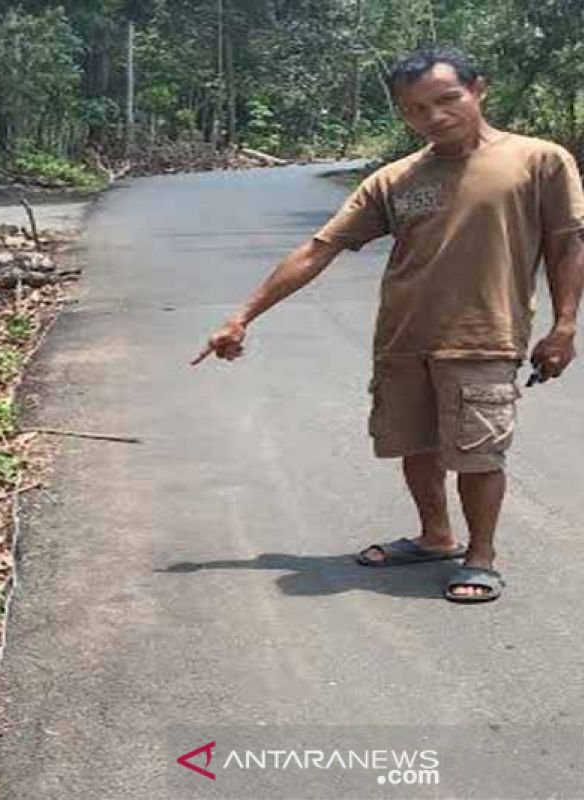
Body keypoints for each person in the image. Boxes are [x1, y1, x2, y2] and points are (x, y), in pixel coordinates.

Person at [192, 46, 584, 603]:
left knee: (478, 453)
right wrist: (242, 316)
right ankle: (435, 537)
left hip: (484, 337)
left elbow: (566, 242)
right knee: (415, 445)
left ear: (478, 90)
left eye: (446, 99)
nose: (434, 116)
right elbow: (320, 247)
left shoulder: (538, 160)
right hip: (402, 338)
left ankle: (481, 556)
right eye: (416, 109)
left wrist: (564, 326)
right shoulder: (395, 179)